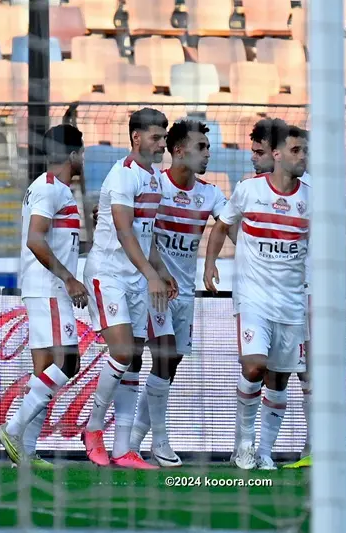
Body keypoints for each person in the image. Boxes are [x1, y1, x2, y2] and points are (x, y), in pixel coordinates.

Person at [203, 123, 311, 470]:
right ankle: (244, 445)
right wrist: (210, 265)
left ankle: (264, 451)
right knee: (254, 366)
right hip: (253, 296)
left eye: (305, 151)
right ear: (277, 154)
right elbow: (222, 224)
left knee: (279, 379)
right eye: (296, 150)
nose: (302, 157)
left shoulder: (311, 198)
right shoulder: (249, 190)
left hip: (291, 302)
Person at [128, 119, 234, 467]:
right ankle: (161, 442)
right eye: (201, 147)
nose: (208, 153)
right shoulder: (153, 184)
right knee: (162, 356)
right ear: (177, 151)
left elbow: (231, 227)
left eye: (208, 147)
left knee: (169, 366)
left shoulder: (210, 193)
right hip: (153, 287)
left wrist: (215, 260)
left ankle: (132, 439)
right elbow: (121, 217)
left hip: (184, 293)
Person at [82, 108, 177, 469]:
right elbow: (123, 232)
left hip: (137, 277)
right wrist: (149, 273)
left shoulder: (152, 178)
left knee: (131, 363)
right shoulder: (122, 177)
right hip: (109, 274)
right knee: (122, 352)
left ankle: (122, 449)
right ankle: (93, 428)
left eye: (164, 137)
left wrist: (161, 270)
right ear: (137, 138)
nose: (162, 144)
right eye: (156, 137)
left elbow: (144, 234)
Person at [0, 124, 87, 467]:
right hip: (49, 288)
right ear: (75, 154)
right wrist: (69, 280)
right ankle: (13, 427)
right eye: (82, 152)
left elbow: (56, 239)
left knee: (45, 371)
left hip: (40, 288)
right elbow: (36, 239)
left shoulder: (52, 189)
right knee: (68, 362)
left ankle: (27, 452)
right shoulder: (51, 189)